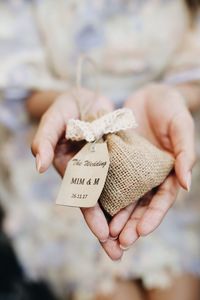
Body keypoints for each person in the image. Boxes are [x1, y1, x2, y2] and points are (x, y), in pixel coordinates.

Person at [0, 0, 200, 299]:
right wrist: (79, 108)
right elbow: (18, 81)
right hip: (68, 152)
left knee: (178, 291)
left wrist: (175, 96)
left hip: (162, 136)